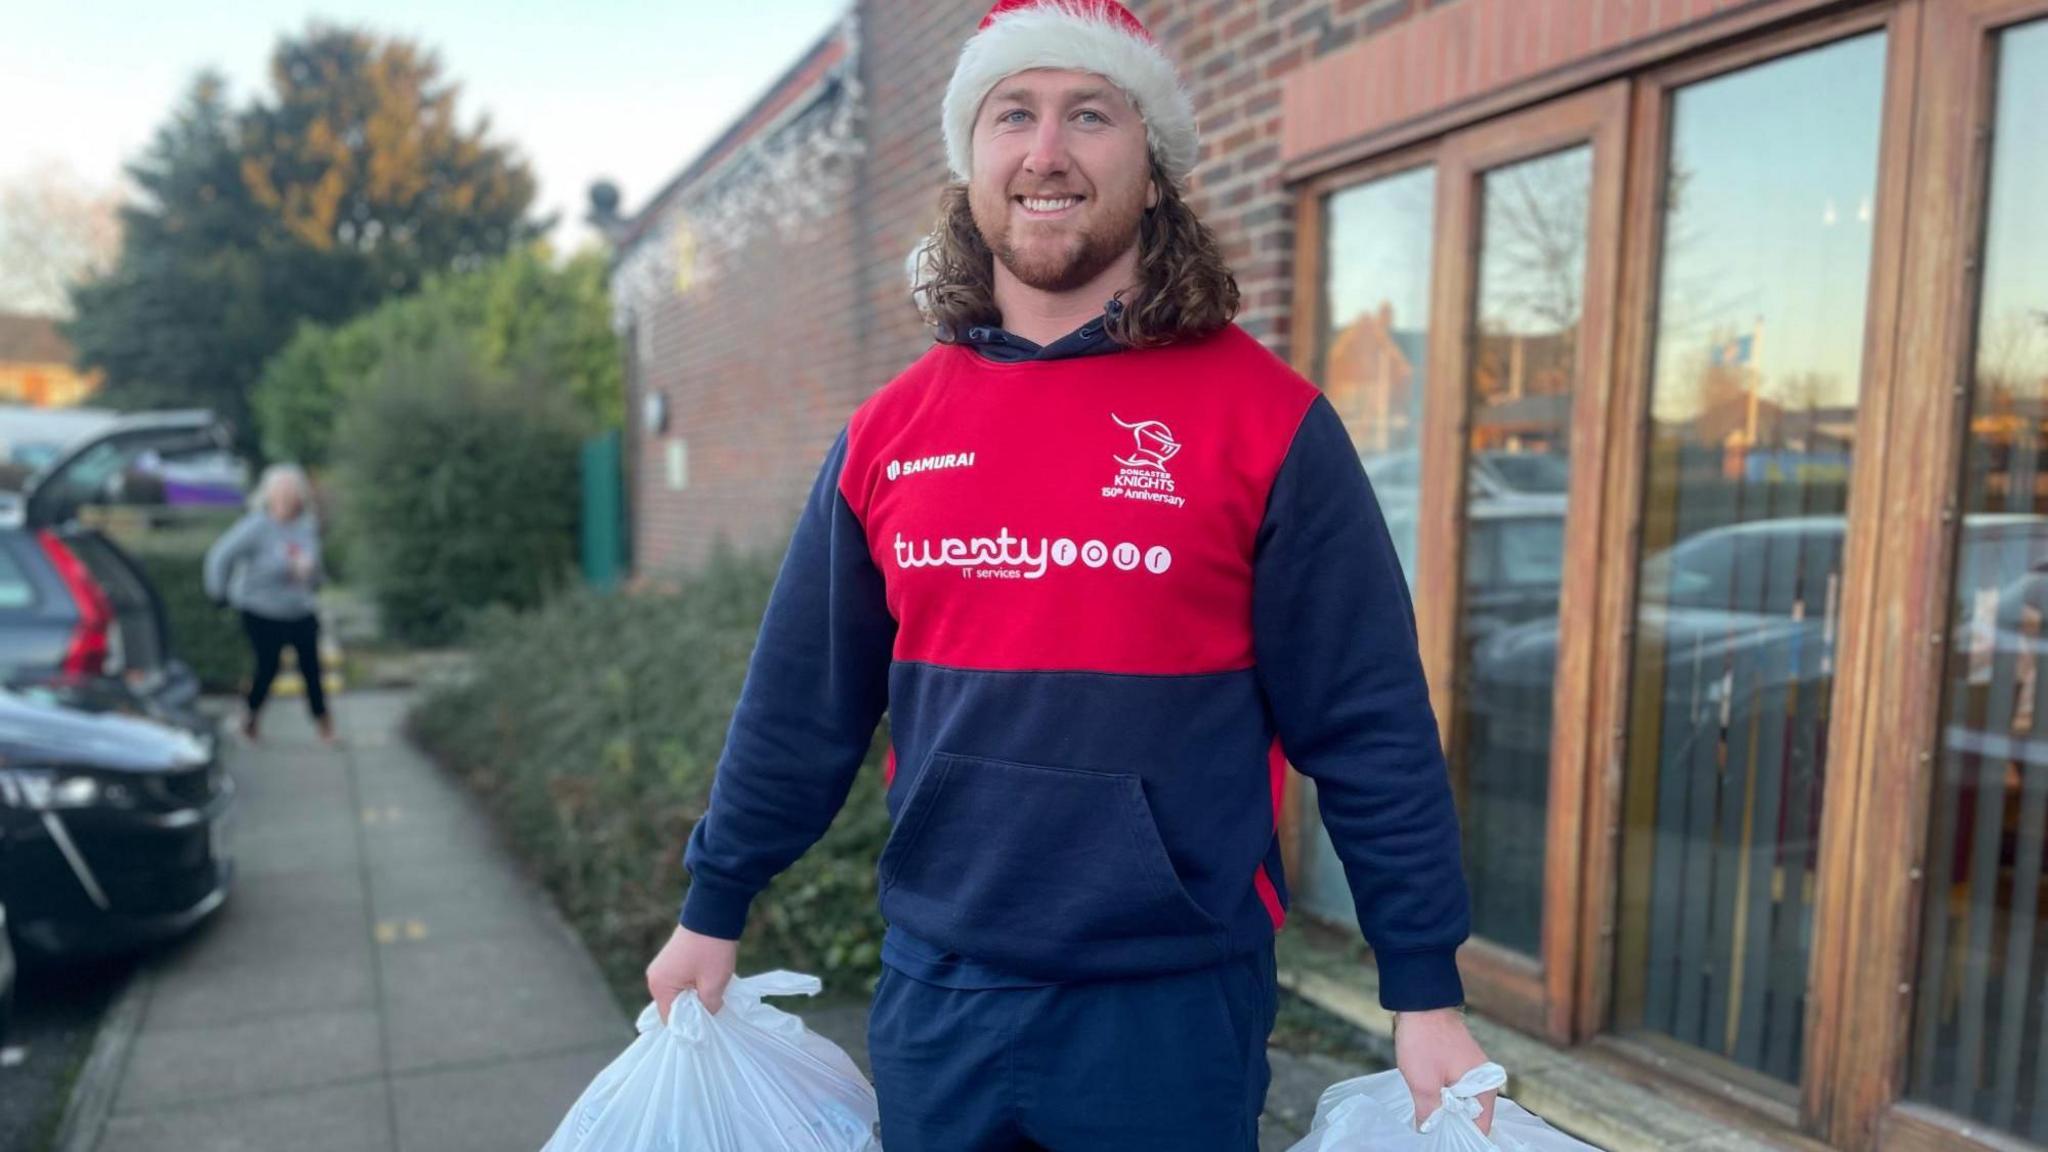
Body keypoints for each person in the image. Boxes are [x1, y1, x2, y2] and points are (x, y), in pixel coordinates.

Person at [645, 0, 1492, 1145]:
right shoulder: (888, 434)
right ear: (972, 165)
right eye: (1013, 116)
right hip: (941, 993)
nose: (1045, 151)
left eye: (1087, 114)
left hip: (1171, 1007)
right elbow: (801, 700)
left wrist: (1421, 984)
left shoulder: (1267, 422)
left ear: (1151, 172)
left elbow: (1365, 719)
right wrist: (713, 904)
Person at [203, 463, 333, 744]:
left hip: (299, 608)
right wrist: (219, 593)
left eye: (291, 494)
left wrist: (310, 573)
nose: (286, 501)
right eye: (280, 494)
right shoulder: (256, 527)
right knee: (268, 667)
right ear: (269, 496)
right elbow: (219, 557)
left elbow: (318, 573)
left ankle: (325, 725)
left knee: (311, 667)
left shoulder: (306, 526)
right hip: (260, 608)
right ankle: (250, 718)